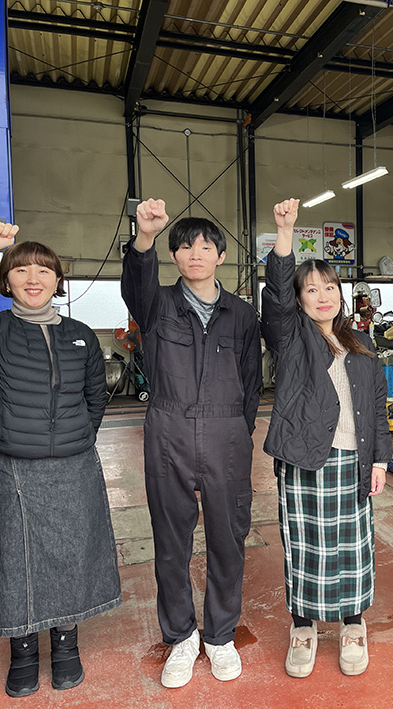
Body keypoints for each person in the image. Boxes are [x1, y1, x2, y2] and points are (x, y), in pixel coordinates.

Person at [0, 221, 121, 698]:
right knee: (14, 559)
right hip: (11, 467)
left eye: (45, 269)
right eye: (22, 270)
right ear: (8, 281)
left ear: (58, 280)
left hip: (73, 465)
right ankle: (21, 651)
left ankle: (66, 644)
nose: (34, 277)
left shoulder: (80, 335)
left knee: (69, 555)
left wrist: (77, 436)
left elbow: (95, 397)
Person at [122, 200, 261, 688]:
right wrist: (145, 237)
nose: (194, 254)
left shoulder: (242, 315)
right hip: (169, 431)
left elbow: (251, 381)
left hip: (226, 435)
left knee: (228, 539)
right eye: (184, 247)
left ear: (221, 255)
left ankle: (220, 636)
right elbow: (135, 280)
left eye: (205, 246)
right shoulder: (157, 304)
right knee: (171, 542)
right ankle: (180, 636)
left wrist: (237, 435)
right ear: (174, 257)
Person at [261, 198, 392, 678]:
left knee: (352, 547)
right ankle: (303, 628)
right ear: (299, 300)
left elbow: (377, 408)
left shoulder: (362, 344)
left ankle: (353, 625)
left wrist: (380, 461)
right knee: (306, 547)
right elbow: (275, 294)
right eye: (311, 289)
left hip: (352, 463)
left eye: (330, 287)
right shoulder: (290, 336)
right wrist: (286, 231)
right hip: (304, 459)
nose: (322, 295)